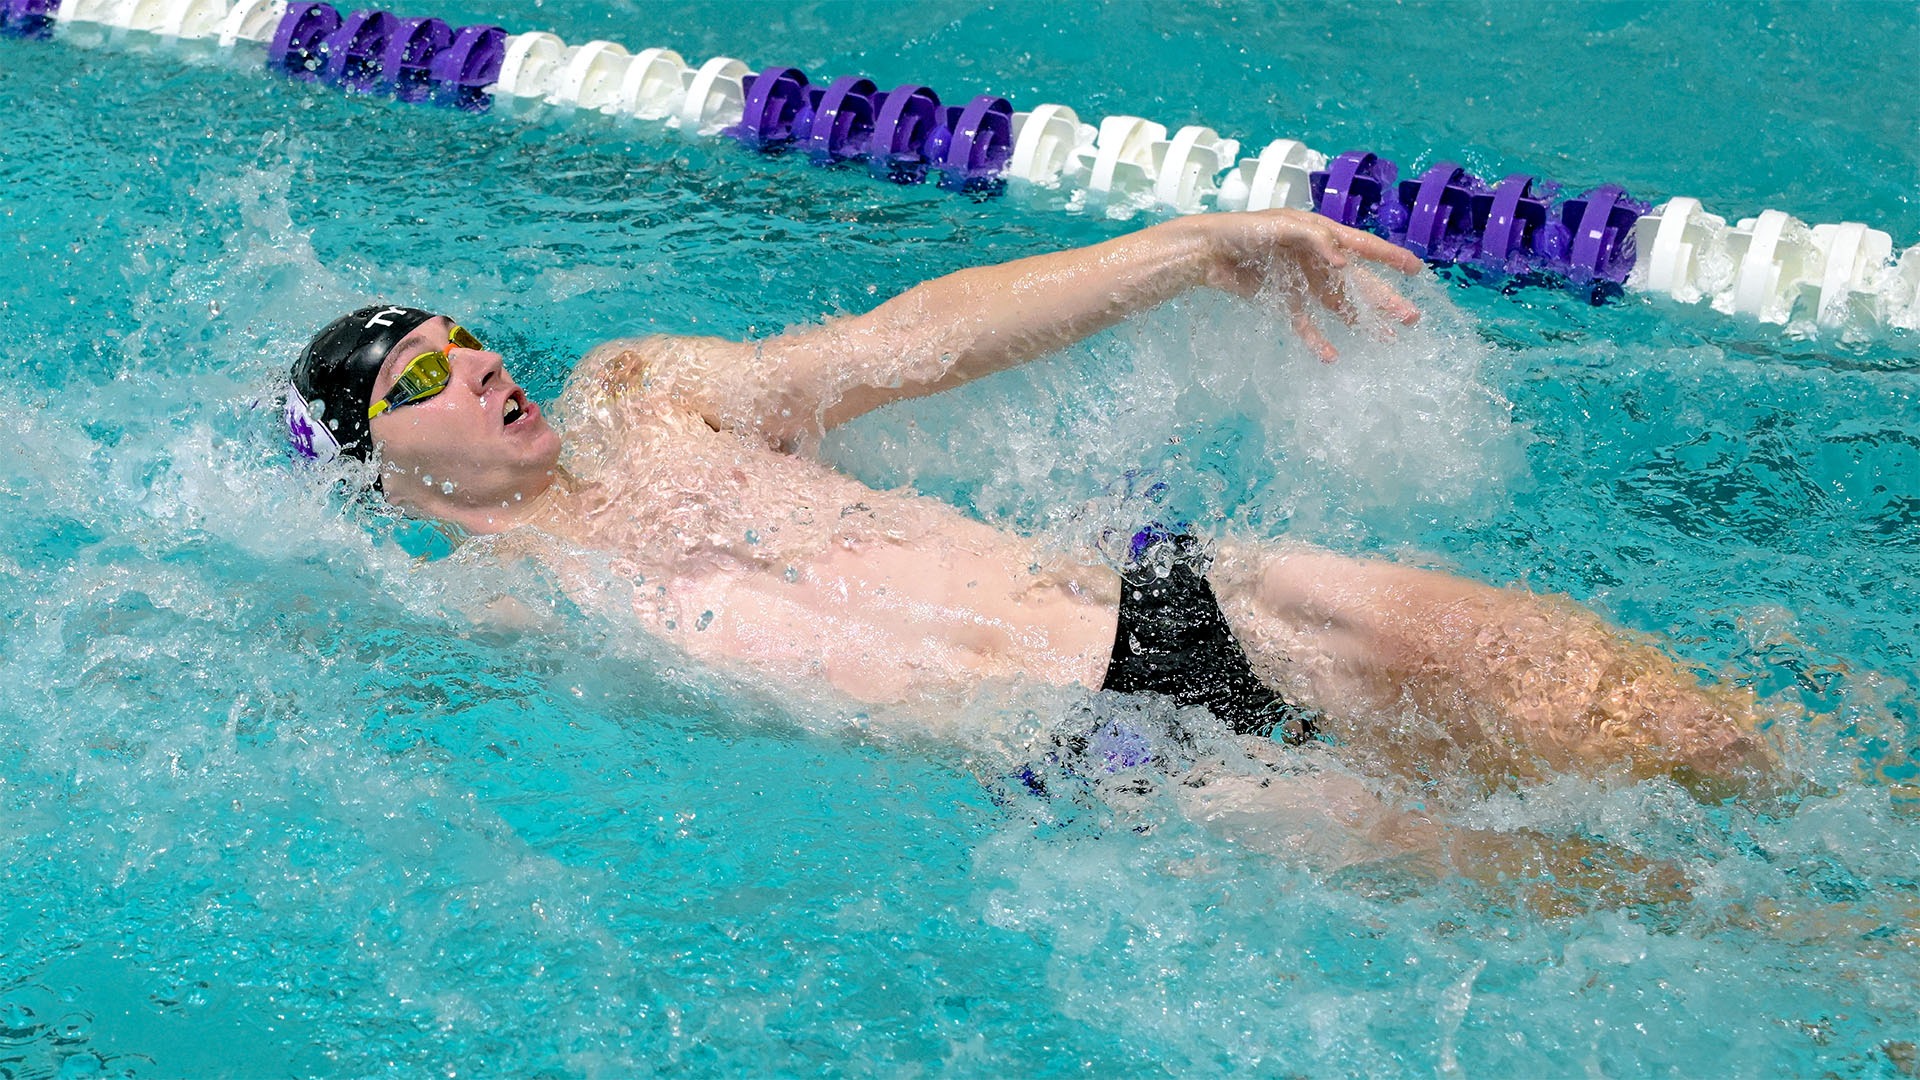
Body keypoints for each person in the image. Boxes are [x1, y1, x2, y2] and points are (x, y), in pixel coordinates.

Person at [286, 209, 1777, 883]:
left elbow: (912, 340)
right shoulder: (488, 603)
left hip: (1193, 606)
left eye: (464, 340)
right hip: (1126, 774)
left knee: (1680, 732)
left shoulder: (647, 399)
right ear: (380, 469)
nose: (473, 369)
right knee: (1635, 898)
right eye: (419, 380)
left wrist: (1185, 251)